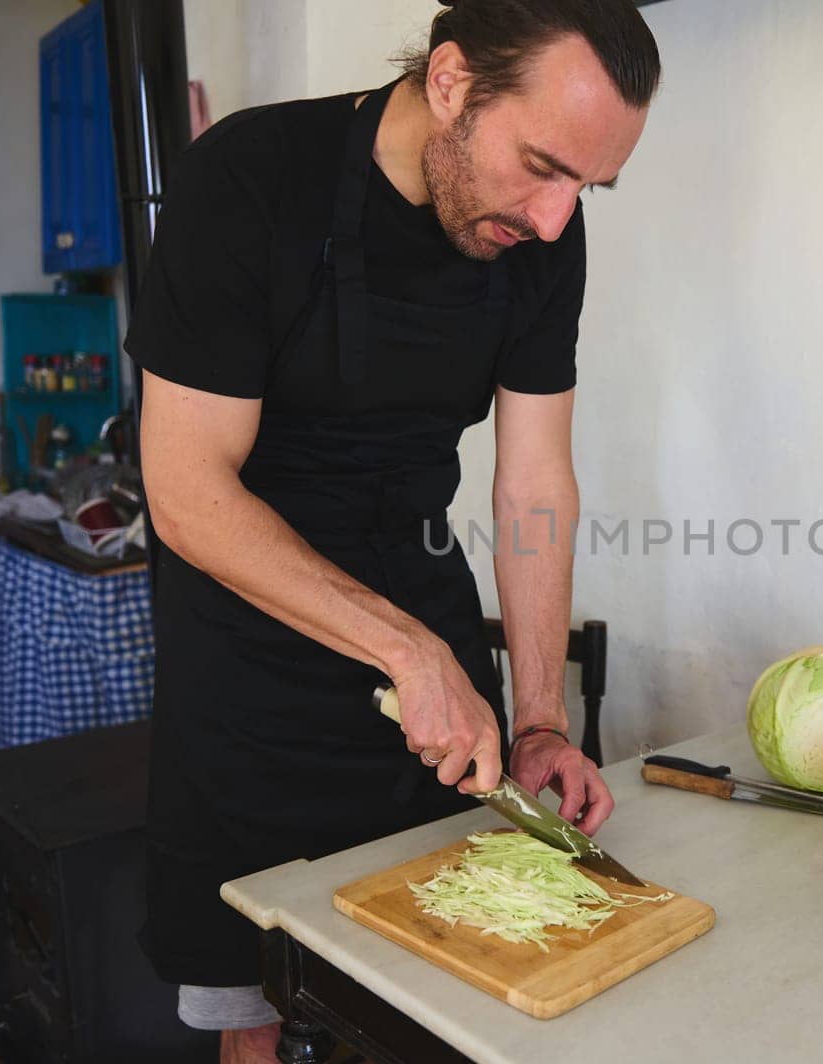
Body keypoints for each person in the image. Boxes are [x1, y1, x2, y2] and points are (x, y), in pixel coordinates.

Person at [121, 0, 660, 1057]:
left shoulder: (543, 237)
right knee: (266, 1011)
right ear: (452, 80)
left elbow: (533, 484)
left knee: (437, 984)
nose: (555, 219)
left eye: (584, 188)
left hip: (423, 618)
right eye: (542, 166)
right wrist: (407, 650)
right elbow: (185, 489)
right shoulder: (250, 179)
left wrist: (542, 719)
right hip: (250, 648)